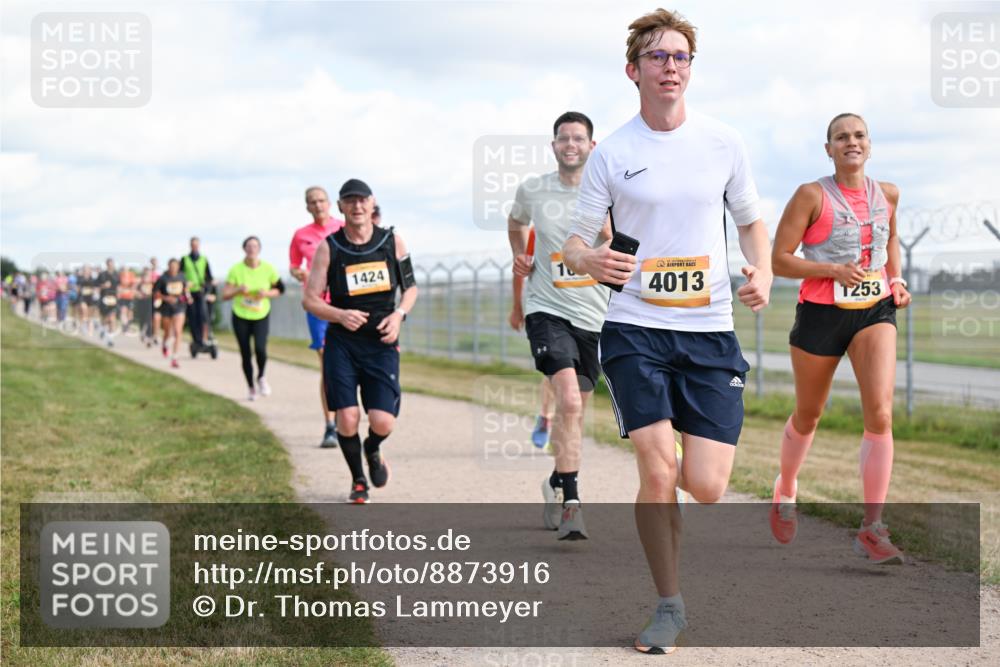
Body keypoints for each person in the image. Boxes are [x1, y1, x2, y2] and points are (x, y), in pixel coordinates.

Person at [562, 9, 772, 653]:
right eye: (658, 57)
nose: (671, 67)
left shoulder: (724, 142)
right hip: (635, 330)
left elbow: (750, 220)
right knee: (658, 471)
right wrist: (590, 259)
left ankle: (680, 496)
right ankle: (669, 606)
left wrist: (761, 268)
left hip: (708, 331)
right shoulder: (614, 153)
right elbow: (572, 243)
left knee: (704, 485)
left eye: (680, 57)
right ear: (634, 70)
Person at [768, 113, 911, 564]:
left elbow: (890, 242)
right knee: (810, 414)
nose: (851, 142)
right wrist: (831, 270)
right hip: (820, 314)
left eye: (859, 135)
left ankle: (872, 527)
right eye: (841, 137)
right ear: (828, 149)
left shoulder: (887, 193)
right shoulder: (812, 195)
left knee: (881, 413)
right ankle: (786, 487)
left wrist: (897, 279)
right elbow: (780, 260)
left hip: (874, 309)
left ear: (870, 145)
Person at [509, 111, 611, 540]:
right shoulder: (533, 190)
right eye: (563, 138)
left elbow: (617, 240)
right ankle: (572, 502)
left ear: (592, 145)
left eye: (579, 138)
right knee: (567, 401)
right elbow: (516, 223)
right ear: (554, 146)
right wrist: (521, 254)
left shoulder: (608, 191)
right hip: (546, 308)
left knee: (578, 409)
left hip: (594, 313)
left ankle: (555, 480)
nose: (571, 144)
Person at [303, 178, 418, 504]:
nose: (356, 206)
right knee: (348, 416)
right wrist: (338, 315)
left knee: (382, 421)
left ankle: (372, 449)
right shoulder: (330, 247)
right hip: (343, 342)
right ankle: (358, 481)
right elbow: (310, 300)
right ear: (340, 206)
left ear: (372, 203)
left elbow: (411, 288)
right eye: (349, 201)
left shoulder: (392, 241)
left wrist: (399, 316)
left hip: (381, 340)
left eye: (362, 200)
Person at [290, 186, 345, 448]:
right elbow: (294, 265)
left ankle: (351, 414)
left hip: (346, 305)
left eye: (322, 200)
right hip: (318, 307)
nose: (318, 205)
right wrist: (299, 273)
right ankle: (330, 425)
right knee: (329, 365)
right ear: (307, 207)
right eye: (313, 202)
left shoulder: (343, 228)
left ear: (330, 203)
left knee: (353, 361)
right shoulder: (301, 235)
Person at [223, 236, 284, 401]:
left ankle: (261, 377)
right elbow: (225, 295)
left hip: (261, 315)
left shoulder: (268, 269)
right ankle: (251, 387)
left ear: (259, 249)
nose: (252, 249)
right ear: (244, 249)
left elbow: (280, 289)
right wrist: (237, 290)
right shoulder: (236, 270)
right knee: (246, 353)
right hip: (241, 316)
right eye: (249, 246)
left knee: (260, 349)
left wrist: (267, 293)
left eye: (255, 246)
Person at [155, 258, 190, 368]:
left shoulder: (182, 277)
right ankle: (165, 344)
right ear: (168, 266)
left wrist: (188, 297)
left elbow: (185, 291)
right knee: (167, 333)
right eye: (171, 266)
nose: (174, 268)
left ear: (178, 267)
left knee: (178, 331)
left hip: (179, 307)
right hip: (166, 308)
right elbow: (155, 293)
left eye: (175, 266)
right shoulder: (162, 278)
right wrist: (166, 298)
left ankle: (175, 358)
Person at [182, 237, 214, 353]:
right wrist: (185, 284)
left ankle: (205, 338)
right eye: (192, 245)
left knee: (203, 315)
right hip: (189, 293)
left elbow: (209, 277)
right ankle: (197, 339)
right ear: (190, 245)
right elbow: (181, 275)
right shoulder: (185, 259)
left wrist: (208, 290)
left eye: (196, 245)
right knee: (192, 317)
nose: (194, 247)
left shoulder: (204, 259)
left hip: (201, 291)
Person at [97, 258, 119, 347]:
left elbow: (119, 285)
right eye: (109, 264)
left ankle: (110, 339)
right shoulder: (102, 275)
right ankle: (102, 328)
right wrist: (104, 286)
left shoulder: (116, 275)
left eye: (112, 264)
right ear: (106, 265)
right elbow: (96, 286)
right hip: (104, 299)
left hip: (113, 299)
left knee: (112, 319)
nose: (110, 266)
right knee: (105, 318)